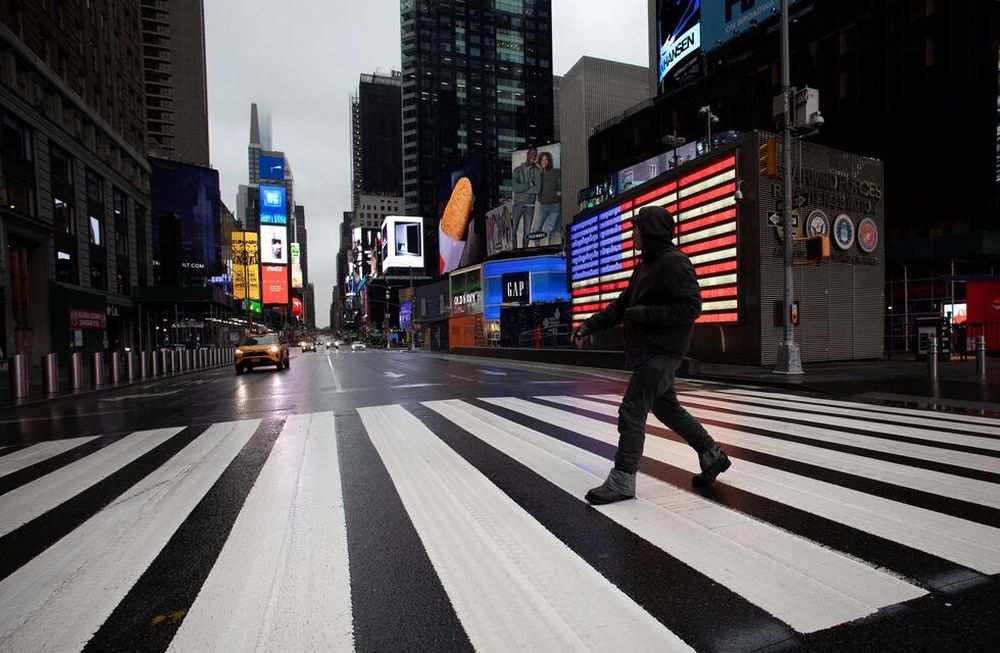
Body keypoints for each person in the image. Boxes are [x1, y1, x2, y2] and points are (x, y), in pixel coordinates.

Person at [573, 204, 730, 505]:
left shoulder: (674, 262)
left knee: (632, 410)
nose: (631, 234)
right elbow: (621, 306)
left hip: (662, 352)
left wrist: (643, 314)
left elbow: (691, 306)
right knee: (666, 408)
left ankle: (622, 480)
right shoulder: (645, 264)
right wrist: (588, 326)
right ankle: (712, 455)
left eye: (635, 228)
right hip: (648, 350)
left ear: (649, 231)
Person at [510, 148, 540, 249]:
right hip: (517, 205)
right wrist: (529, 185)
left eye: (535, 155)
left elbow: (537, 189)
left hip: (530, 206)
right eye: (531, 154)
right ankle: (514, 251)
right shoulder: (517, 170)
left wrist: (523, 190)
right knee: (513, 230)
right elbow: (514, 187)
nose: (533, 156)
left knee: (527, 233)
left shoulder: (536, 171)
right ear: (527, 154)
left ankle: (524, 251)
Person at [531, 151, 562, 246]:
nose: (544, 162)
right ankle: (538, 249)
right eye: (542, 160)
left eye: (546, 160)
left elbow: (567, 177)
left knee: (551, 229)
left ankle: (550, 247)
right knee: (536, 231)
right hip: (542, 206)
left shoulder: (555, 172)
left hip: (554, 205)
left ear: (549, 161)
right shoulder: (537, 174)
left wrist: (561, 190)